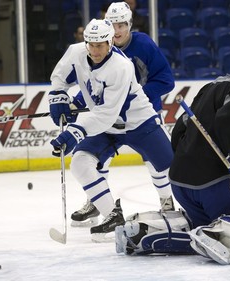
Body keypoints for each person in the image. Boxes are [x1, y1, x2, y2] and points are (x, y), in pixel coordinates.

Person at [115, 52, 230, 265]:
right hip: (214, 185)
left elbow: (179, 128)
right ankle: (218, 236)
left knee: (197, 225)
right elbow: (228, 119)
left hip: (180, 183)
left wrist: (184, 161)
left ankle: (144, 233)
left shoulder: (212, 86)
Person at [48, 18, 174, 242]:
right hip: (106, 128)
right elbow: (60, 76)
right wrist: (58, 95)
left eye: (100, 45)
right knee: (79, 162)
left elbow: (106, 114)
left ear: (110, 43)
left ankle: (172, 204)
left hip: (139, 123)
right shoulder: (76, 52)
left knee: (171, 167)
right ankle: (112, 216)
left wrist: (75, 131)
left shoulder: (121, 66)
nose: (94, 51)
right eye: (91, 44)